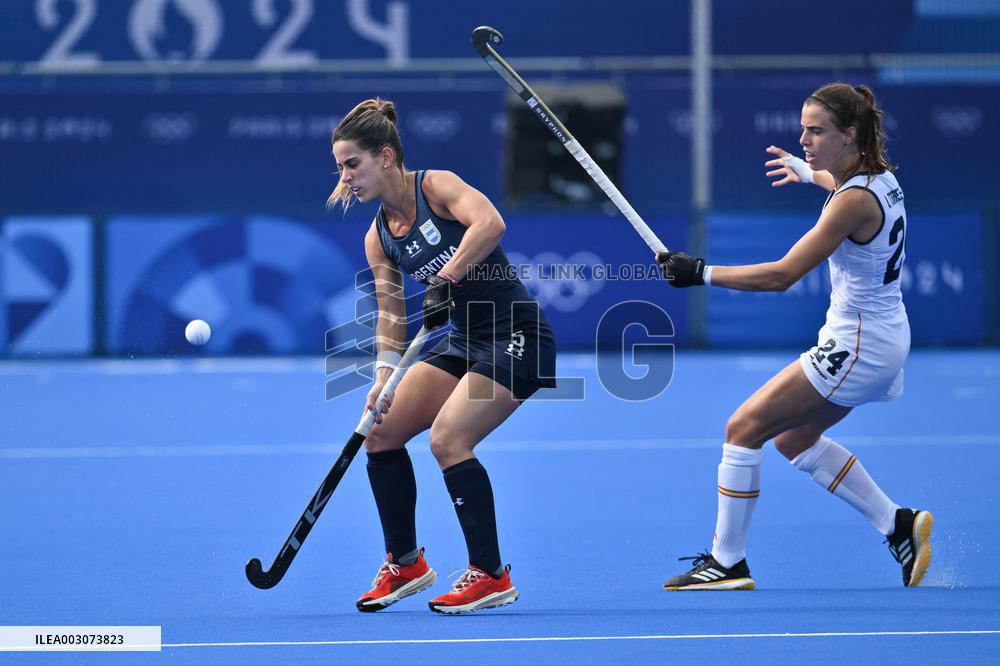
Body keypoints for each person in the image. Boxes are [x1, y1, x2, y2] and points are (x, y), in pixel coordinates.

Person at [656, 83, 932, 590]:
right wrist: (809, 173)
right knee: (793, 438)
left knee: (743, 427)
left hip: (857, 346)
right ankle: (897, 523)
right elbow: (837, 183)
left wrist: (701, 273)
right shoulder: (879, 179)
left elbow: (782, 275)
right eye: (803, 129)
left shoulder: (850, 202)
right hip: (885, 338)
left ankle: (727, 562)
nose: (803, 139)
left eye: (816, 131)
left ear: (849, 134)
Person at [328, 98, 557, 613]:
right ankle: (406, 564)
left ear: (386, 157)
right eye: (340, 167)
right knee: (380, 433)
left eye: (352, 164)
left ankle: (490, 575)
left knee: (449, 438)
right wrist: (383, 377)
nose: (345, 178)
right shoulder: (378, 237)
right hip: (463, 340)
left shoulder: (437, 186)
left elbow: (490, 223)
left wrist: (447, 275)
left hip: (517, 335)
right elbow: (391, 314)